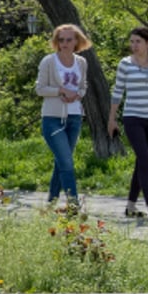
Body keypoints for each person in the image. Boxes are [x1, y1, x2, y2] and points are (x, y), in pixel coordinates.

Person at [107, 25, 148, 221]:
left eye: (138, 42)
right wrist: (112, 118)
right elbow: (117, 92)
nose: (134, 45)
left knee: (141, 162)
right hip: (132, 118)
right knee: (144, 160)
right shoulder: (125, 64)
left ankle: (130, 205)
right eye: (132, 41)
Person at [35, 24, 91, 208]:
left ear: (76, 41)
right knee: (67, 162)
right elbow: (40, 89)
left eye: (69, 40)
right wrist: (60, 90)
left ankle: (51, 203)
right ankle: (74, 205)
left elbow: (83, 87)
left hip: (74, 117)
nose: (65, 44)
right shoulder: (49, 61)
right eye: (61, 40)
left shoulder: (81, 62)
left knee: (61, 162)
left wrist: (77, 95)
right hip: (52, 118)